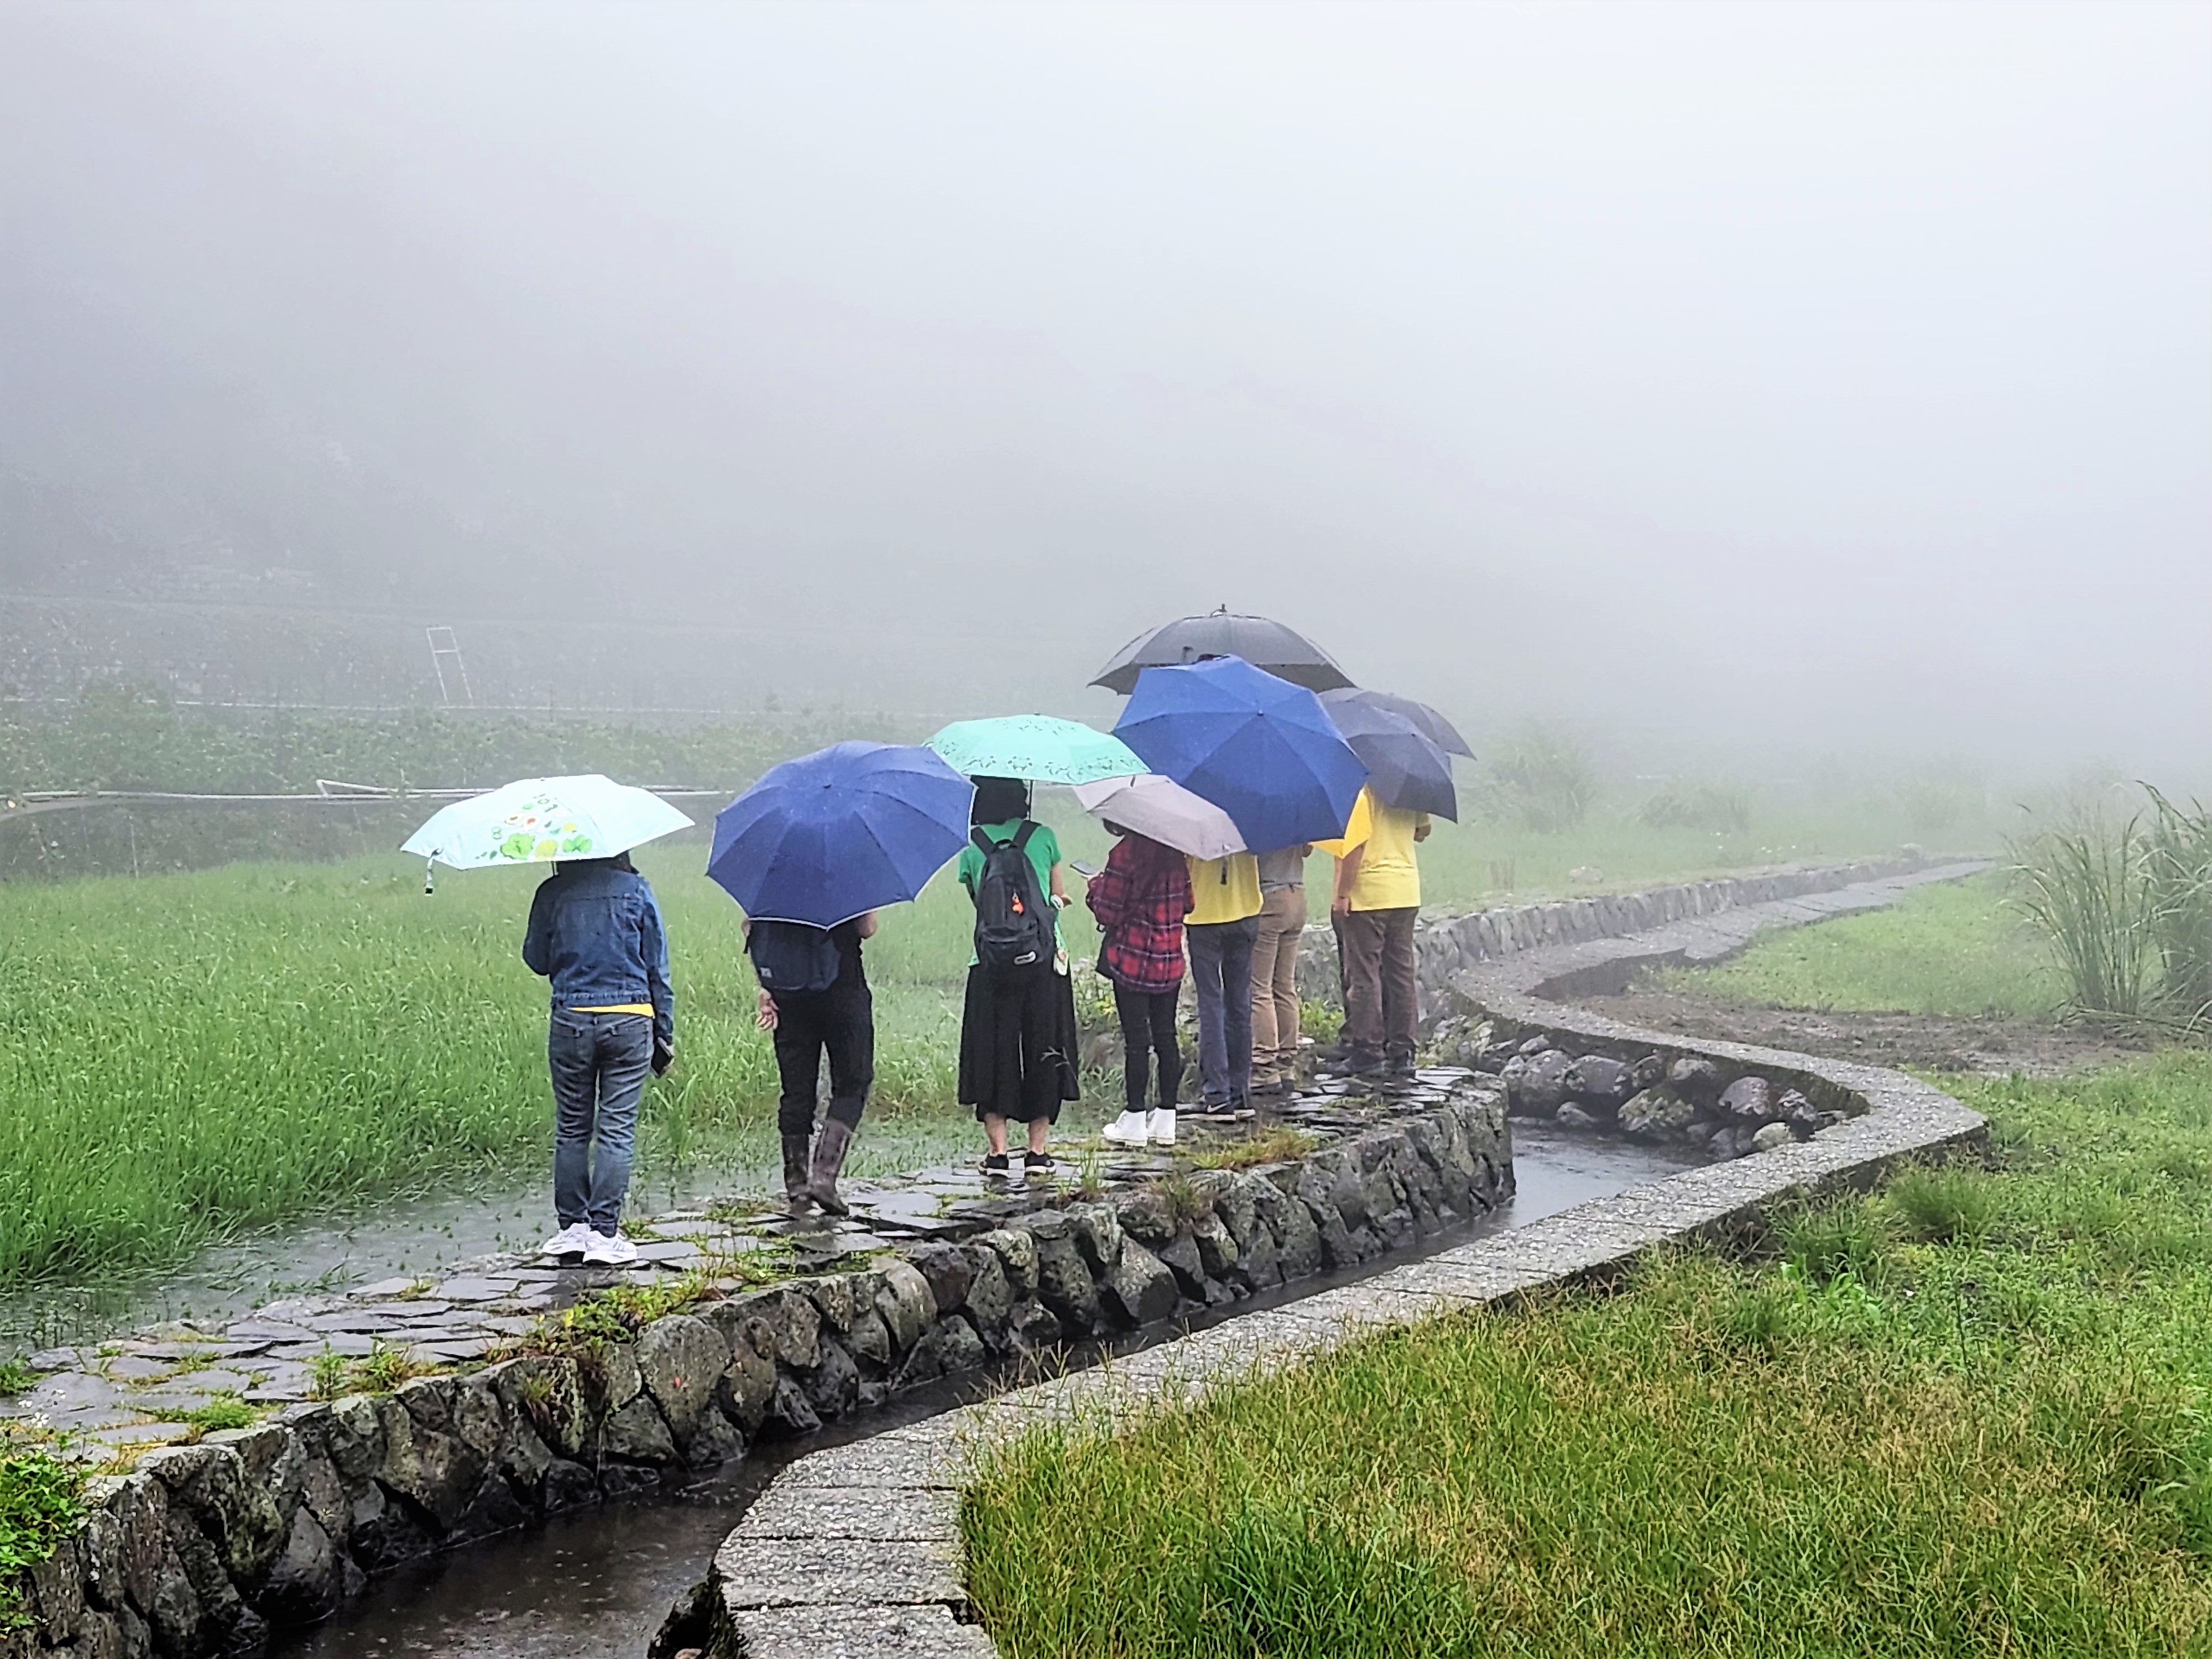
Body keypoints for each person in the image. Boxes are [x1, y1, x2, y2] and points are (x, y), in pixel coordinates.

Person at [521, 851, 674, 1266]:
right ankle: (605, 1236)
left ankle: (572, 1229)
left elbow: (536, 960)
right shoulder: (637, 890)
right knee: (616, 1129)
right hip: (631, 1020)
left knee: (572, 1127)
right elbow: (657, 967)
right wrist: (666, 1033)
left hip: (571, 1019)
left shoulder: (553, 892)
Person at [956, 776, 1079, 1179]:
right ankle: (1038, 1153)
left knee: (993, 1051)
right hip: (1043, 960)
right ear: (1021, 797)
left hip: (989, 964)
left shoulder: (975, 844)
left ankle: (997, 1154)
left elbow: (981, 905)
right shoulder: (1043, 837)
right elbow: (1056, 898)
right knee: (1044, 1046)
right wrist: (1053, 902)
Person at [749, 910, 877, 1218]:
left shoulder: (772, 873)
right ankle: (823, 1178)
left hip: (787, 992)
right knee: (852, 1082)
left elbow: (749, 928)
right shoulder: (847, 870)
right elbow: (867, 928)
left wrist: (765, 984)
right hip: (842, 988)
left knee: (796, 1090)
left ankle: (796, 1184)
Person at [1084, 823, 1194, 1148]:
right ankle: (1166, 1119)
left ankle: (1133, 1119)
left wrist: (1094, 887)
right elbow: (1189, 903)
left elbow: (1109, 910)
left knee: (1136, 1041)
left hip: (1133, 960)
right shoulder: (1175, 850)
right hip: (1170, 960)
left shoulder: (1125, 853)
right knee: (1166, 1037)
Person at [1325, 786, 1431, 1076]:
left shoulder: (1361, 795)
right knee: (1401, 974)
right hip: (1406, 890)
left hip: (1370, 893)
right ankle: (1403, 1049)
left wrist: (1343, 893)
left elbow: (1354, 848)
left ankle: (1368, 1050)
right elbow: (1423, 831)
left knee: (1365, 974)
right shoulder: (1410, 793)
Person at [1184, 848, 1262, 1114]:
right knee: (1240, 1003)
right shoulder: (1252, 812)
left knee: (1211, 1003)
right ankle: (1241, 1091)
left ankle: (1217, 1092)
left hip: (1203, 914)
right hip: (1246, 909)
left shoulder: (1195, 813)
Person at [1248, 844, 1311, 1095]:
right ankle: (1287, 1060)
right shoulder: (1298, 809)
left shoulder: (1261, 814)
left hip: (1271, 896)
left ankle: (1264, 1064)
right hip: (1297, 895)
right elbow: (1306, 850)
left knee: (1260, 986)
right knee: (1284, 984)